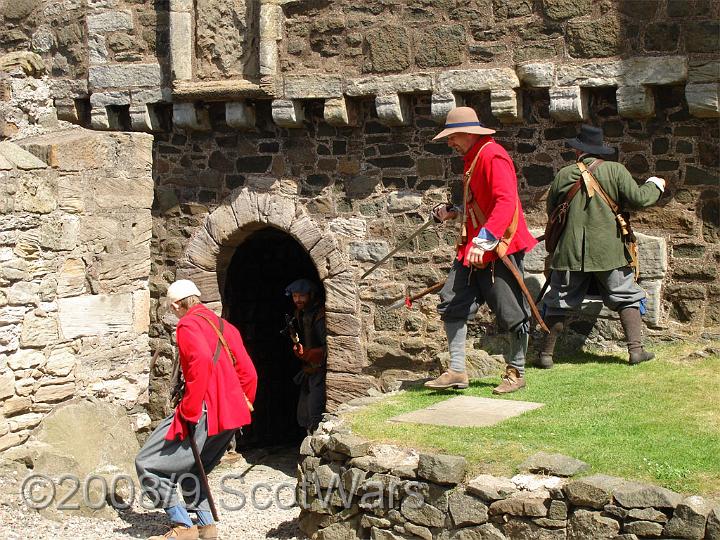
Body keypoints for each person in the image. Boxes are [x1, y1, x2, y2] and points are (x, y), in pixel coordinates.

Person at [425, 106, 537, 394]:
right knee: (452, 301)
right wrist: (455, 212)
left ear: (468, 133)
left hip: (498, 247)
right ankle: (458, 370)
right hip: (474, 249)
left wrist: (483, 240)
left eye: (452, 137)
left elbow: (505, 202)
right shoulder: (473, 158)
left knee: (512, 311)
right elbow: (480, 204)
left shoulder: (493, 155)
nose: (449, 143)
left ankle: (517, 372)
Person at [135, 279, 257, 540]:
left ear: (179, 304)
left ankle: (182, 525)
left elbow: (201, 362)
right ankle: (205, 524)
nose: (174, 312)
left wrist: (189, 411)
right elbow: (249, 373)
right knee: (193, 466)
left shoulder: (188, 324)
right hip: (230, 416)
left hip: (202, 410)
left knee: (147, 462)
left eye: (173, 308)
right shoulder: (225, 326)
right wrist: (240, 403)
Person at [538, 125, 665, 368]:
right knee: (626, 296)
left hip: (569, 252)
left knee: (558, 300)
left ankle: (545, 355)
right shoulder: (615, 170)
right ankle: (636, 351)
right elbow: (639, 199)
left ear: (578, 150)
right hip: (609, 252)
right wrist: (655, 185)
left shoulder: (564, 175)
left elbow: (552, 211)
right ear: (600, 151)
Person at [285, 278, 326, 433]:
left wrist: (310, 354)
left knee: (315, 409)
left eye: (302, 296)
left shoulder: (319, 315)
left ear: (311, 295)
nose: (298, 300)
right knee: (304, 412)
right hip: (308, 369)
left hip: (320, 369)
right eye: (295, 296)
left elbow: (329, 347)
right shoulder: (299, 314)